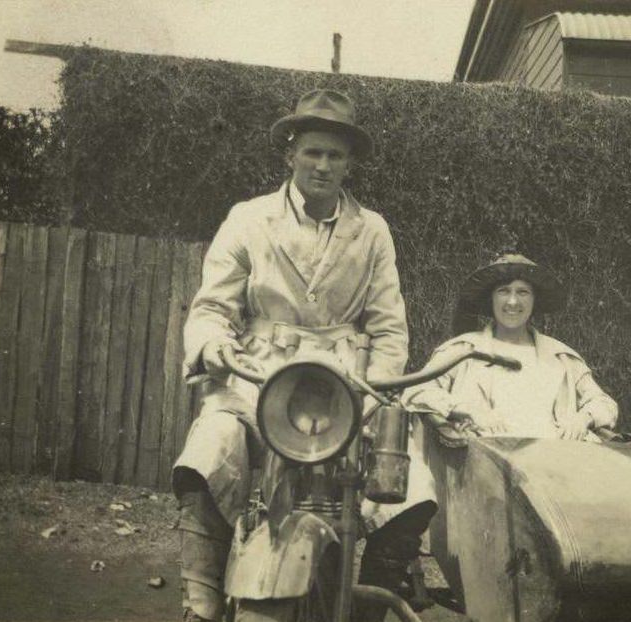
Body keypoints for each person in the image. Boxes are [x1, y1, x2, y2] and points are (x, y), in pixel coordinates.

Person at [172, 89, 435, 622]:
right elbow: (212, 307)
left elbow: (388, 330)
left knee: (412, 486)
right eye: (312, 152)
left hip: (343, 383)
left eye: (335, 156)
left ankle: (366, 609)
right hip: (258, 374)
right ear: (290, 154)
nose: (322, 165)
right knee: (211, 444)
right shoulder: (249, 219)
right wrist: (216, 346)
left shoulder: (374, 231)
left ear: (349, 165)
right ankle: (199, 604)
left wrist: (375, 393)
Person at [403, 253, 618, 442]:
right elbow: (416, 392)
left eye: (523, 292)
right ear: (492, 299)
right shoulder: (463, 350)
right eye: (504, 291)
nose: (513, 302)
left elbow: (604, 403)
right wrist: (465, 409)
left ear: (535, 301)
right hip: (479, 470)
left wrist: (583, 419)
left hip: (554, 469)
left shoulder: (561, 357)